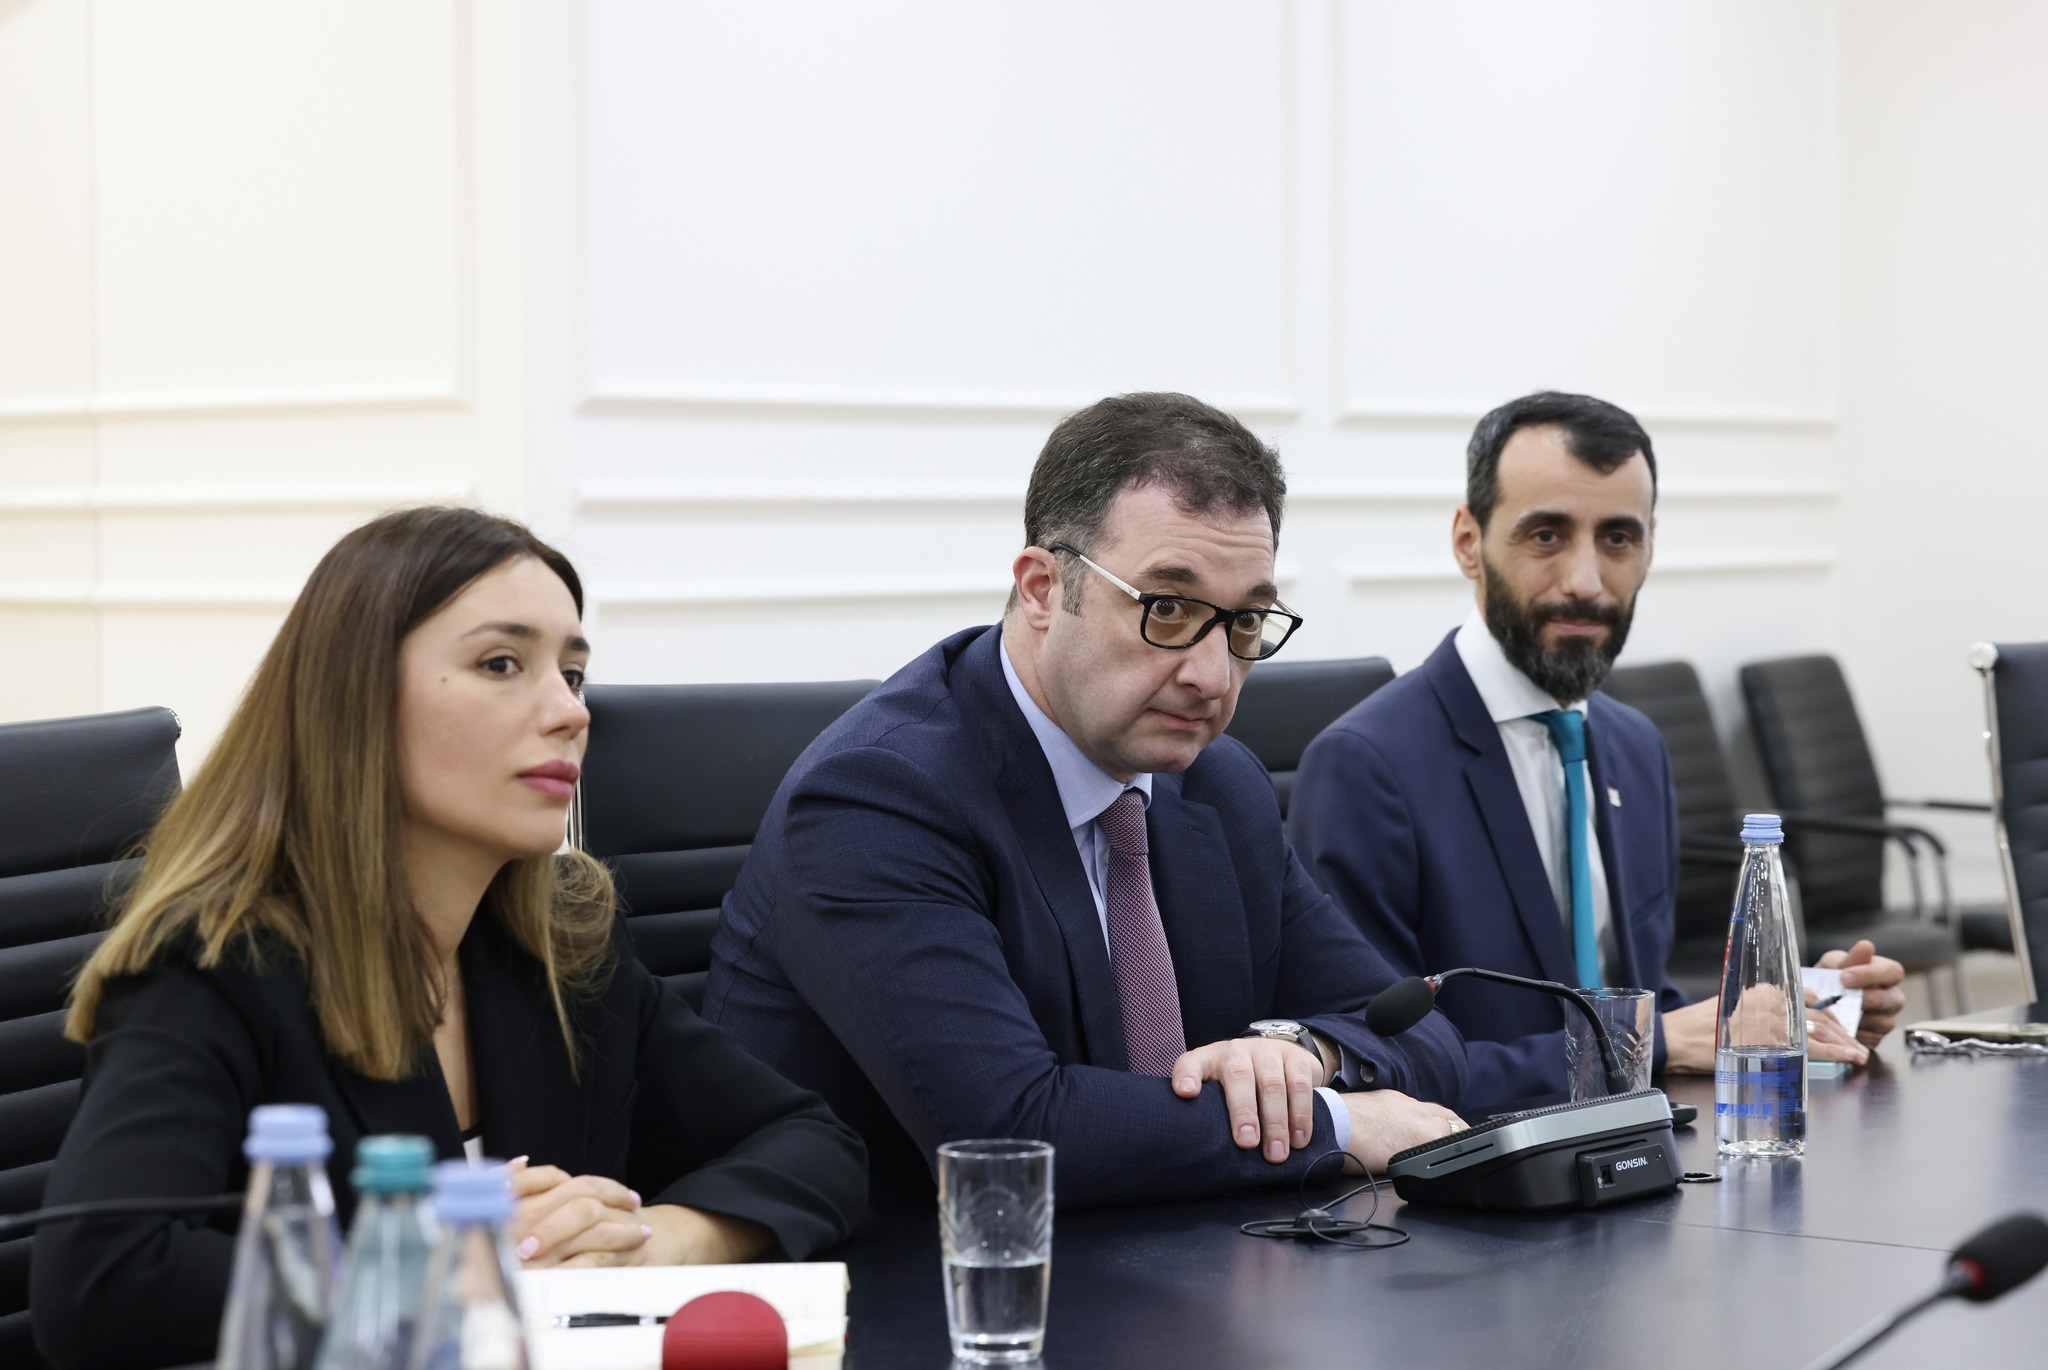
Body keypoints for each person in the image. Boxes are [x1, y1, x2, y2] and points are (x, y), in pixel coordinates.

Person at [31, 507, 867, 1370]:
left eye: (573, 675)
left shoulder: (561, 944)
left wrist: (652, 1244)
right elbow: (101, 1279)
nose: (569, 712)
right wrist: (434, 1267)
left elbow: (813, 1143)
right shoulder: (213, 962)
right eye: (501, 664)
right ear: (354, 700)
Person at [704, 392, 1468, 1212]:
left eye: (1246, 620)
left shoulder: (1219, 782)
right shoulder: (879, 796)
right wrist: (1336, 1124)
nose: (1213, 676)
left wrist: (1302, 1054)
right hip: (925, 1272)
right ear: (1042, 589)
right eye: (1167, 608)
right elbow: (1011, 1134)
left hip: (1186, 1256)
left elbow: (1423, 1035)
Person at [1287, 391, 1905, 1115]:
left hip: (1645, 1155)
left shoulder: (1636, 747)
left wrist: (1790, 1012)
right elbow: (1370, 1065)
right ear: (1468, 541)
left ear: (1649, 546)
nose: (1585, 581)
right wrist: (1653, 1043)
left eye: (1617, 538)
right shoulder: (1365, 766)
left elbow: (1644, 998)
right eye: (1547, 535)